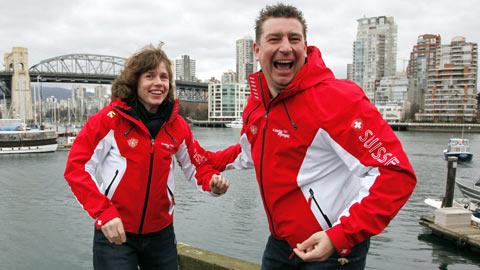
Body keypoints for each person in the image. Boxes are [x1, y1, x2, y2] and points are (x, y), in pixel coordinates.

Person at [222, 3, 416, 269]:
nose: (286, 47)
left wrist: (339, 236)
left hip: (333, 252)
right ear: (257, 50)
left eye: (294, 38)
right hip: (280, 245)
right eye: (274, 38)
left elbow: (396, 174)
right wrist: (201, 161)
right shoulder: (258, 102)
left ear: (305, 46)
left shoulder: (338, 99)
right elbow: (247, 151)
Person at [64, 45, 238, 270]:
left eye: (164, 77)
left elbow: (197, 166)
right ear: (134, 81)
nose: (159, 83)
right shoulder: (108, 120)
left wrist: (213, 184)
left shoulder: (177, 126)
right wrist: (103, 214)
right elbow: (76, 168)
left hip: (161, 235)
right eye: (150, 76)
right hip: (115, 232)